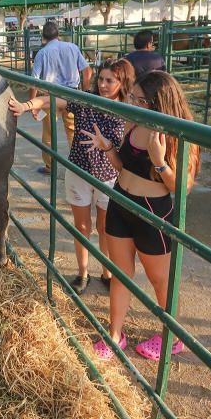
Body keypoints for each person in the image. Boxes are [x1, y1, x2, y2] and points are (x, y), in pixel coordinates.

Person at [81, 71, 201, 361]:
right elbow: (125, 167)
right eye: (131, 96)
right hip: (121, 203)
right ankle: (114, 335)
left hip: (152, 213)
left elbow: (182, 188)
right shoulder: (133, 122)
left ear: (158, 103)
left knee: (160, 280)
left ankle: (172, 337)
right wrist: (108, 149)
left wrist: (160, 163)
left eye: (138, 99)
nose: (130, 102)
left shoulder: (175, 133)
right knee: (121, 274)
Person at [9, 58, 135, 293]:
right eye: (102, 79)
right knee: (82, 226)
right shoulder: (87, 100)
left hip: (109, 177)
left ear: (122, 82)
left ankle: (107, 271)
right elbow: (53, 99)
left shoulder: (128, 109)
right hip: (79, 171)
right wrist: (27, 106)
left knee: (106, 227)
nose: (104, 85)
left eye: (111, 80)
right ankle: (83, 273)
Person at [28, 20, 92, 175]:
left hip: (50, 97)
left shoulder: (42, 53)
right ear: (58, 34)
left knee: (49, 134)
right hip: (72, 94)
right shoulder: (73, 48)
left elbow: (34, 82)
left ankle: (50, 167)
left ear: (43, 36)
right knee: (74, 132)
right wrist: (86, 92)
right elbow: (87, 71)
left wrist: (33, 103)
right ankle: (78, 166)